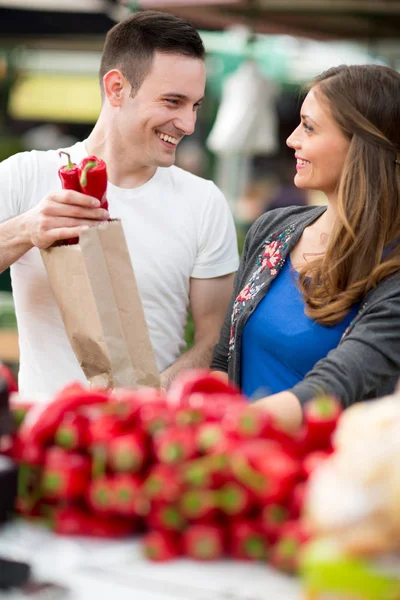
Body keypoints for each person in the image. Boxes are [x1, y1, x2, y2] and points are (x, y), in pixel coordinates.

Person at [0, 11, 239, 398]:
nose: (188, 124)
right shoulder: (23, 175)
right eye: (173, 101)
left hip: (144, 438)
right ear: (116, 88)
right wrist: (25, 229)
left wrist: (150, 395)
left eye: (194, 105)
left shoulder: (204, 202)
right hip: (42, 440)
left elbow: (216, 340)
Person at [212, 64, 400, 431]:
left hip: (319, 478)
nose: (291, 139)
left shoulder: (392, 269)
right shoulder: (273, 229)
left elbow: (335, 387)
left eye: (309, 127)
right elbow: (224, 359)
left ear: (361, 145)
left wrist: (222, 425)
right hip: (232, 466)